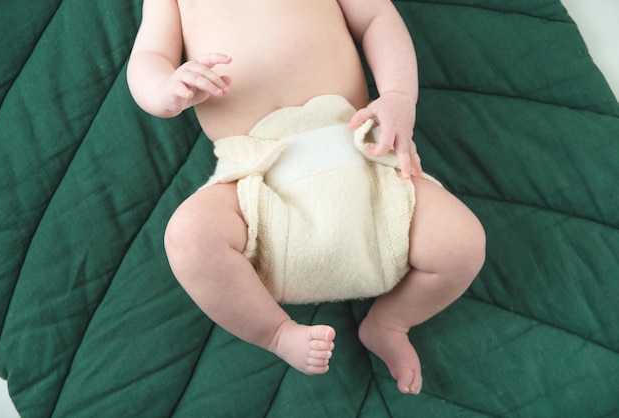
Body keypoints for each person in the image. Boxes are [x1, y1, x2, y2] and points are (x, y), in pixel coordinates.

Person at [127, 0, 485, 396]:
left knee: (463, 244)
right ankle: (277, 333)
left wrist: (399, 96)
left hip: (361, 165)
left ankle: (390, 323)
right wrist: (164, 90)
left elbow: (377, 19)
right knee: (189, 236)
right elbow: (149, 56)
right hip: (259, 189)